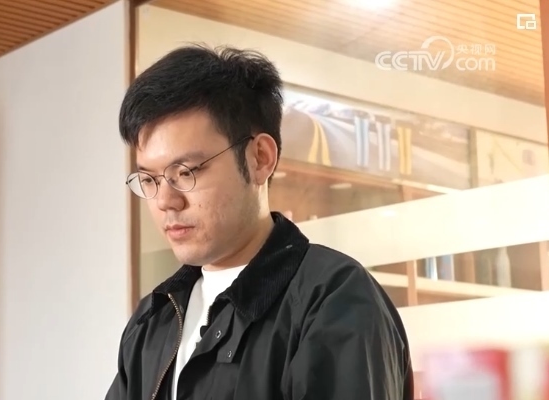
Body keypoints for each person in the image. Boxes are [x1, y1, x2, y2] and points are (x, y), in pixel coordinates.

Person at [105, 45, 413, 400]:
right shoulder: (155, 317)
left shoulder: (332, 299)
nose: (165, 201)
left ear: (259, 158)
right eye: (149, 179)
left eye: (186, 172)